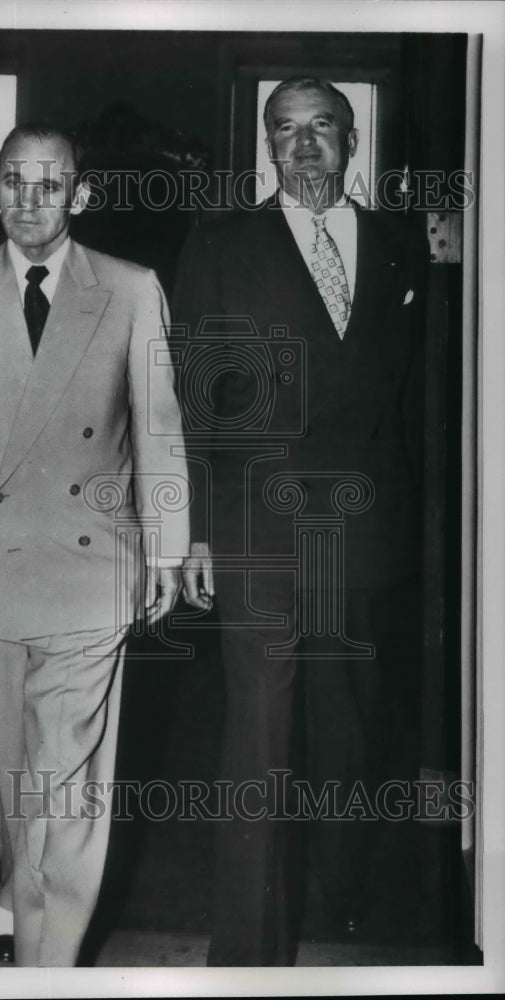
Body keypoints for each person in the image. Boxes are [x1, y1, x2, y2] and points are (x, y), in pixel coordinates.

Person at [0, 125, 189, 967]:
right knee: (9, 784)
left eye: (49, 184)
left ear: (79, 196)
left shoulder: (129, 288)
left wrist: (166, 549)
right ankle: (16, 886)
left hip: (91, 568)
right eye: (14, 181)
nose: (28, 200)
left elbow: (159, 427)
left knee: (62, 790)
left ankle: (44, 970)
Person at [174, 77, 426, 965]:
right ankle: (247, 951)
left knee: (351, 730)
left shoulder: (399, 246)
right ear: (267, 145)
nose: (305, 145)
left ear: (350, 140)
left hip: (364, 530)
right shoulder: (220, 245)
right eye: (285, 130)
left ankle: (338, 900)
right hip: (256, 525)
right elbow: (191, 399)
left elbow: (417, 400)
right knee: (259, 733)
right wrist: (192, 529)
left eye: (322, 126)